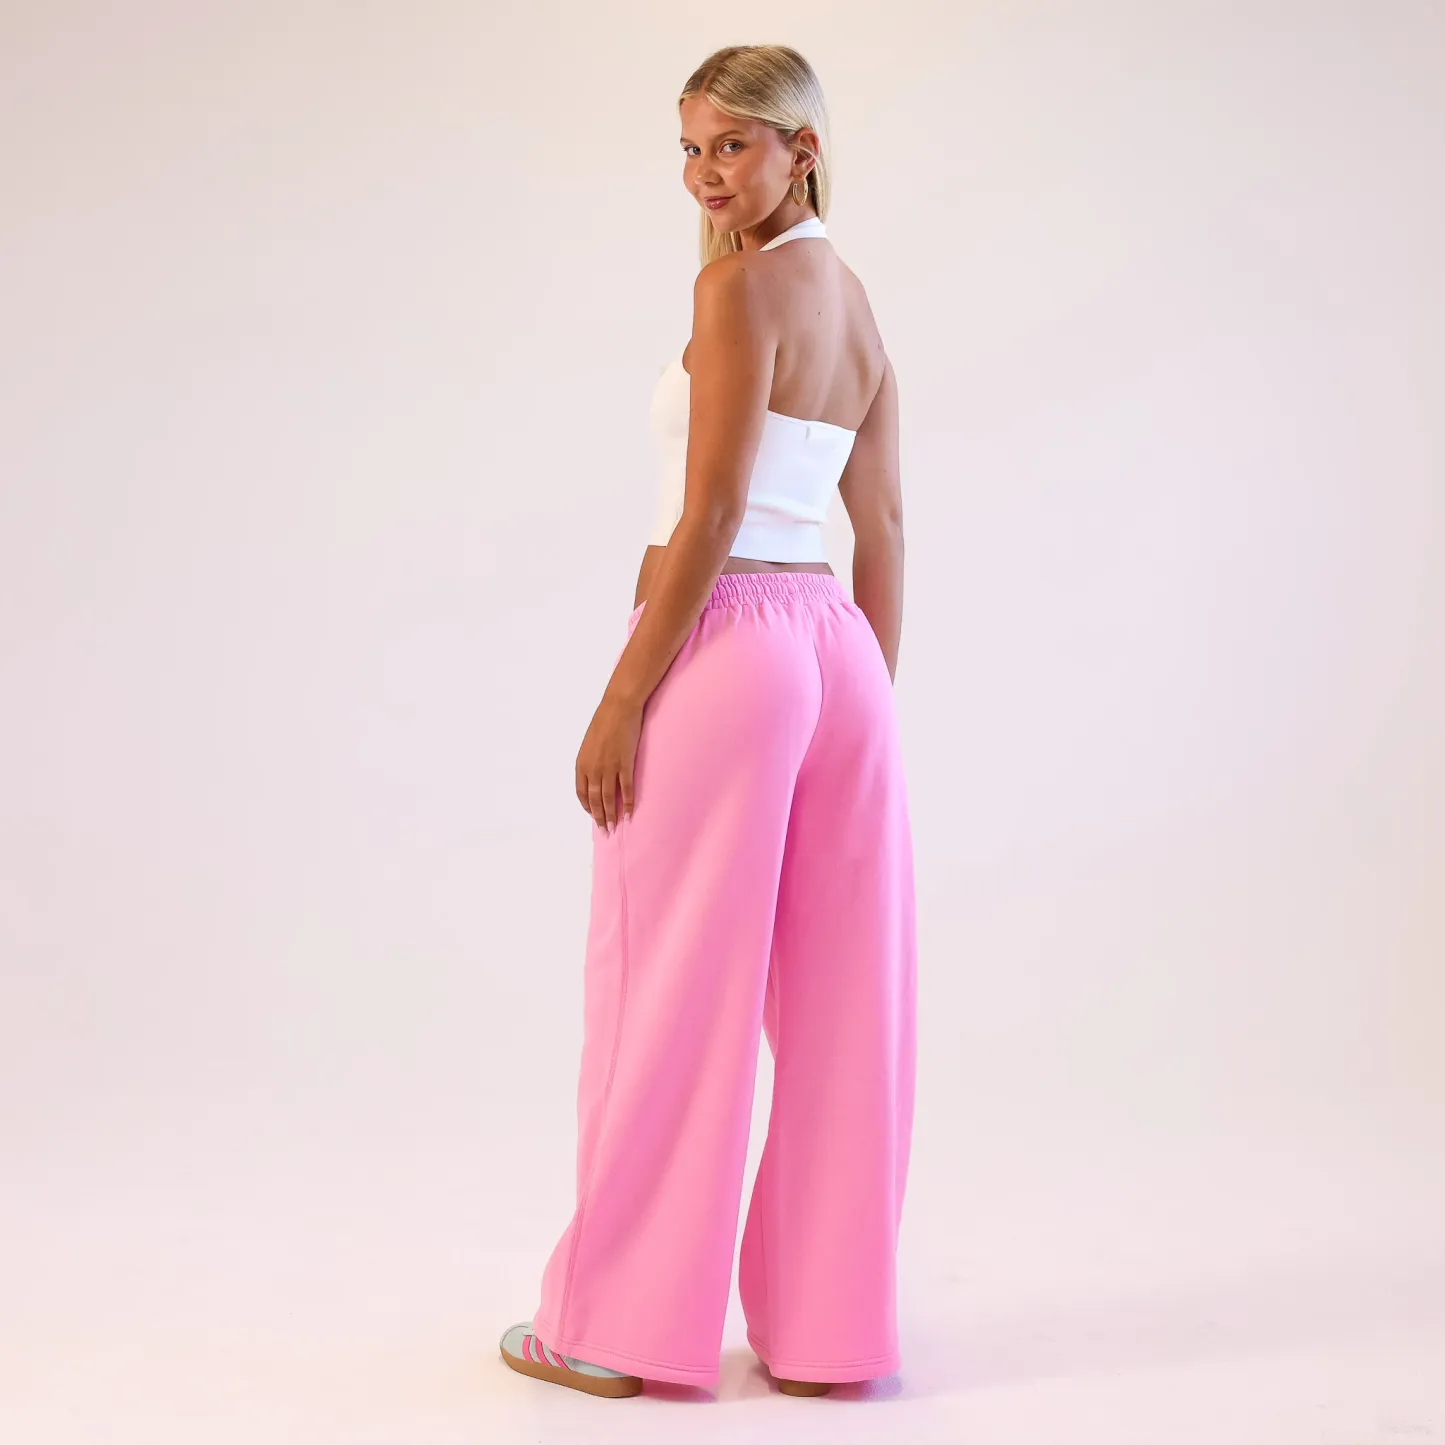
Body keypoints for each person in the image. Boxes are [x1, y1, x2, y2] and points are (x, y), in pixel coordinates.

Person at [499, 43, 916, 1399]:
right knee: (845, 1001)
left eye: (732, 144)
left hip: (729, 643)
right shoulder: (858, 306)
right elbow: (882, 525)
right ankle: (828, 1337)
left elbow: (716, 509)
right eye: (689, 149)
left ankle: (611, 1329)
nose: (705, 174)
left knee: (666, 985)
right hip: (838, 652)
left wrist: (623, 695)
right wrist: (860, 709)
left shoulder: (737, 289)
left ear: (803, 147)